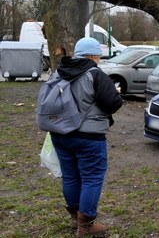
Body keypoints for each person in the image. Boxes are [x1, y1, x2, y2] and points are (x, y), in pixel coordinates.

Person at [48, 37, 123, 237]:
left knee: (70, 176)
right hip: (88, 136)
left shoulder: (58, 72)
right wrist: (115, 92)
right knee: (91, 178)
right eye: (98, 55)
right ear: (93, 56)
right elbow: (113, 104)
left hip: (60, 134)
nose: (99, 59)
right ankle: (86, 226)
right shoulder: (95, 75)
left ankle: (75, 219)